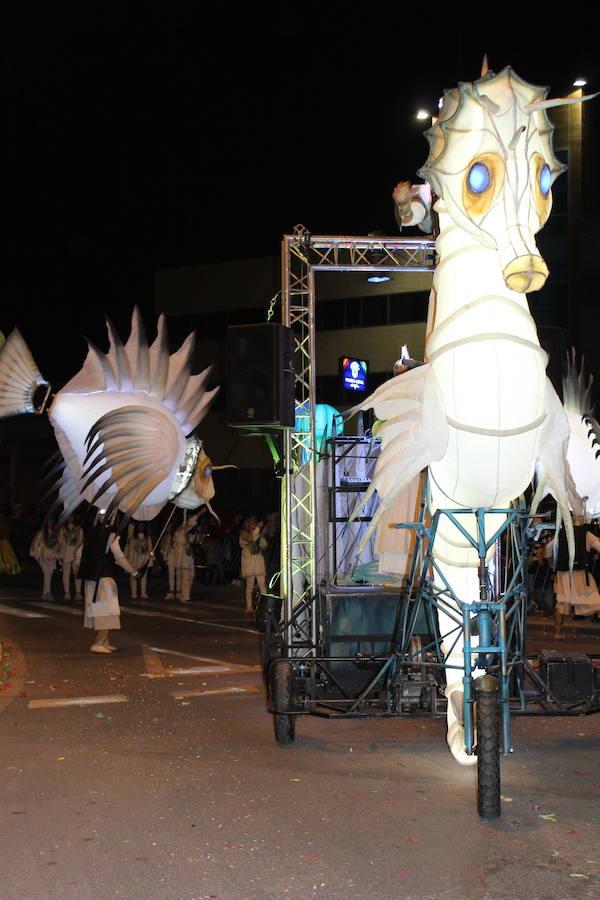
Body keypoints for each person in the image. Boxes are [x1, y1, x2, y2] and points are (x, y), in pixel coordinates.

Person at [78, 512, 138, 653]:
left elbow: (78, 555)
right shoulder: (111, 536)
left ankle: (104, 641)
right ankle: (98, 642)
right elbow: (119, 557)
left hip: (93, 580)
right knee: (105, 611)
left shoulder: (92, 535)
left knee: (104, 610)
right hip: (104, 580)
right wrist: (134, 571)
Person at [547, 517, 600, 638]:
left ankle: (557, 633)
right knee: (595, 601)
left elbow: (547, 551)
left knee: (561, 604)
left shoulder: (560, 534)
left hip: (562, 574)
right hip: (580, 575)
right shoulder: (586, 534)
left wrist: (552, 565)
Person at [239, 516, 267, 614]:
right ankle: (249, 607)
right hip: (249, 561)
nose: (253, 525)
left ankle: (264, 607)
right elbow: (251, 539)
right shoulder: (244, 534)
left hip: (258, 560)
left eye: (255, 523)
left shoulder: (258, 534)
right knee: (250, 585)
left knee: (262, 585)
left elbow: (264, 545)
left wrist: (262, 537)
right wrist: (258, 529)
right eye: (251, 523)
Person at [171, 512, 201, 602]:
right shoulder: (180, 529)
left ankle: (184, 594)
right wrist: (200, 513)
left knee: (191, 575)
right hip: (182, 555)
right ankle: (184, 597)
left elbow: (196, 540)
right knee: (186, 576)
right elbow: (189, 524)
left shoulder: (189, 531)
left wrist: (198, 534)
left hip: (189, 555)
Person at [30, 520, 61, 599]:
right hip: (41, 555)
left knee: (48, 574)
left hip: (51, 556)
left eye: (52, 522)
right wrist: (40, 555)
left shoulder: (56, 533)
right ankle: (48, 593)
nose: (50, 523)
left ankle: (44, 594)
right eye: (49, 522)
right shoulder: (42, 532)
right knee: (47, 573)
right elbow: (36, 544)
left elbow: (58, 546)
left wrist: (53, 555)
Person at [58, 515, 84, 600]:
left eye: (72, 517)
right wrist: (61, 555)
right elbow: (61, 542)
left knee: (77, 574)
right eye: (69, 517)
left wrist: (77, 553)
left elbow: (80, 542)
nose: (70, 519)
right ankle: (67, 593)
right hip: (65, 554)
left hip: (76, 554)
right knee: (66, 574)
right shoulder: (63, 529)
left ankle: (78, 593)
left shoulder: (79, 529)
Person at [125, 522, 152, 599]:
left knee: (144, 576)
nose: (141, 527)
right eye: (140, 525)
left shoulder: (147, 537)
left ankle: (143, 592)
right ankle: (134, 593)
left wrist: (151, 556)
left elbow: (150, 548)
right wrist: (130, 560)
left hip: (144, 558)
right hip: (135, 559)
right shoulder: (133, 538)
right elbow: (130, 550)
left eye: (143, 525)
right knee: (133, 576)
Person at [0, 507, 20, 576]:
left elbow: (5, 531)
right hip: (3, 541)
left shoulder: (3, 522)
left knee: (6, 556)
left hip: (3, 541)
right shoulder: (4, 522)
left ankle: (6, 569)